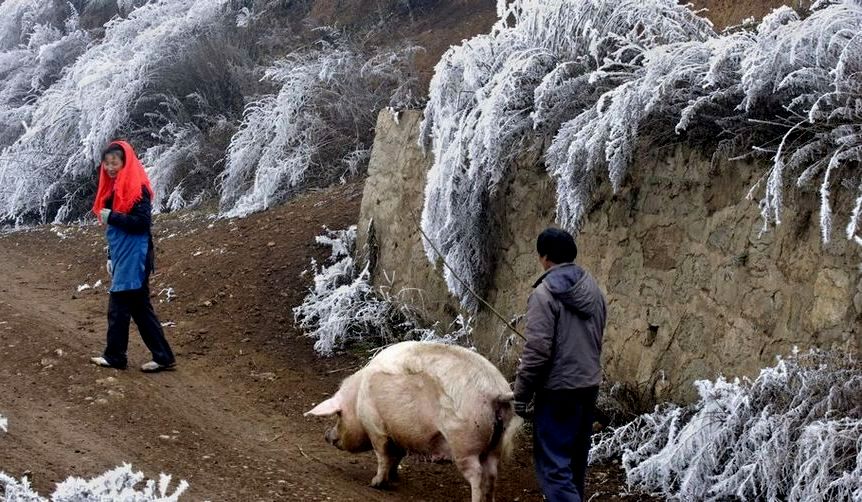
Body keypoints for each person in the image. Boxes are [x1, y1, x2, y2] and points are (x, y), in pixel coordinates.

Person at [513, 227, 606, 502]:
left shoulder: (544, 295)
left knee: (553, 468)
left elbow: (537, 351)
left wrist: (521, 395)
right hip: (588, 386)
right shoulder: (595, 291)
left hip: (557, 391)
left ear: (544, 258)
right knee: (575, 464)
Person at [89, 141, 176, 373]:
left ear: (125, 162)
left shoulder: (138, 189)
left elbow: (141, 223)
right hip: (122, 255)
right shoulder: (112, 190)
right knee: (139, 308)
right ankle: (163, 356)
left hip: (136, 255)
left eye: (114, 162)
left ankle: (116, 356)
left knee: (119, 307)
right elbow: (113, 230)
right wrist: (110, 255)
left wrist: (113, 217)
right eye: (106, 163)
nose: (110, 167)